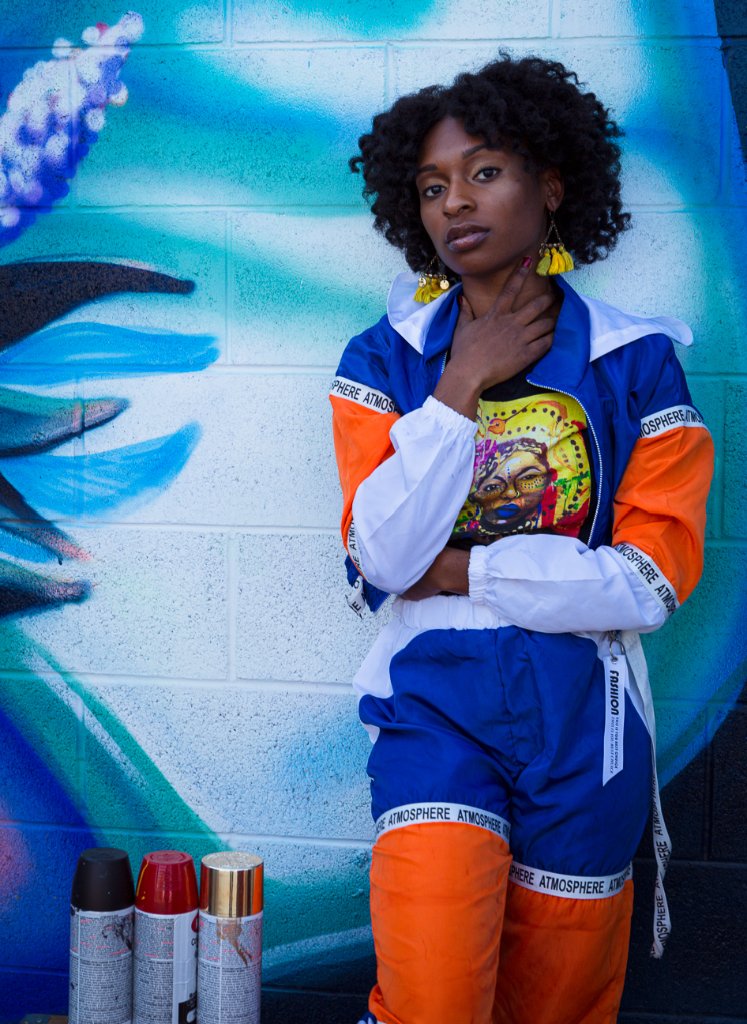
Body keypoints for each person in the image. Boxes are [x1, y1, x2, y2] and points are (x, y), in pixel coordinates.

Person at [329, 54, 713, 1024]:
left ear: (551, 183)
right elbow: (381, 560)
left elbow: (649, 580)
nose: (455, 202)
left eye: (485, 172)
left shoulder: (636, 359)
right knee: (432, 997)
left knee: (557, 1008)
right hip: (434, 709)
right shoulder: (385, 360)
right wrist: (460, 382)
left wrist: (464, 570)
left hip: (588, 727)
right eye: (431, 186)